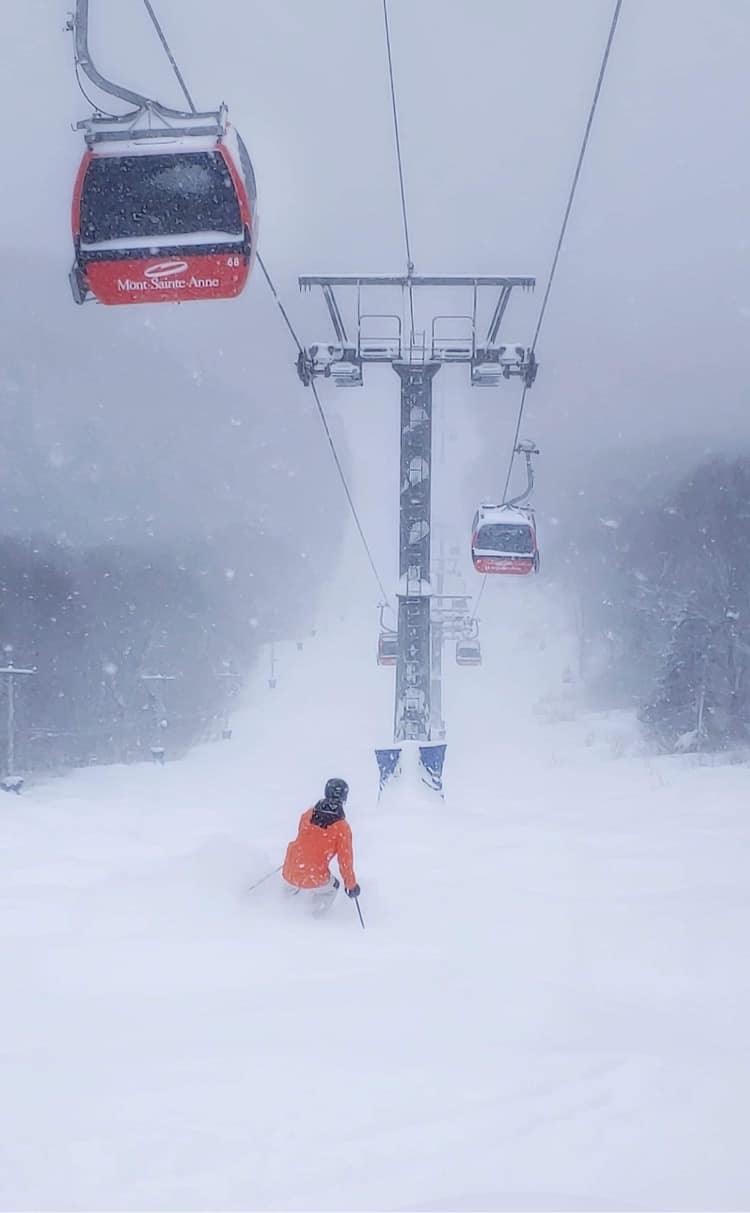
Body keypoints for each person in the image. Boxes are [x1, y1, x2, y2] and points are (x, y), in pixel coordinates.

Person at [282, 777, 360, 913]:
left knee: (293, 884)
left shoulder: (308, 814)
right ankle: (315, 916)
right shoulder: (342, 828)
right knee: (332, 887)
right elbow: (345, 862)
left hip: (290, 867)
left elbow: (304, 840)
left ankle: (282, 907)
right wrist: (351, 886)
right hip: (313, 876)